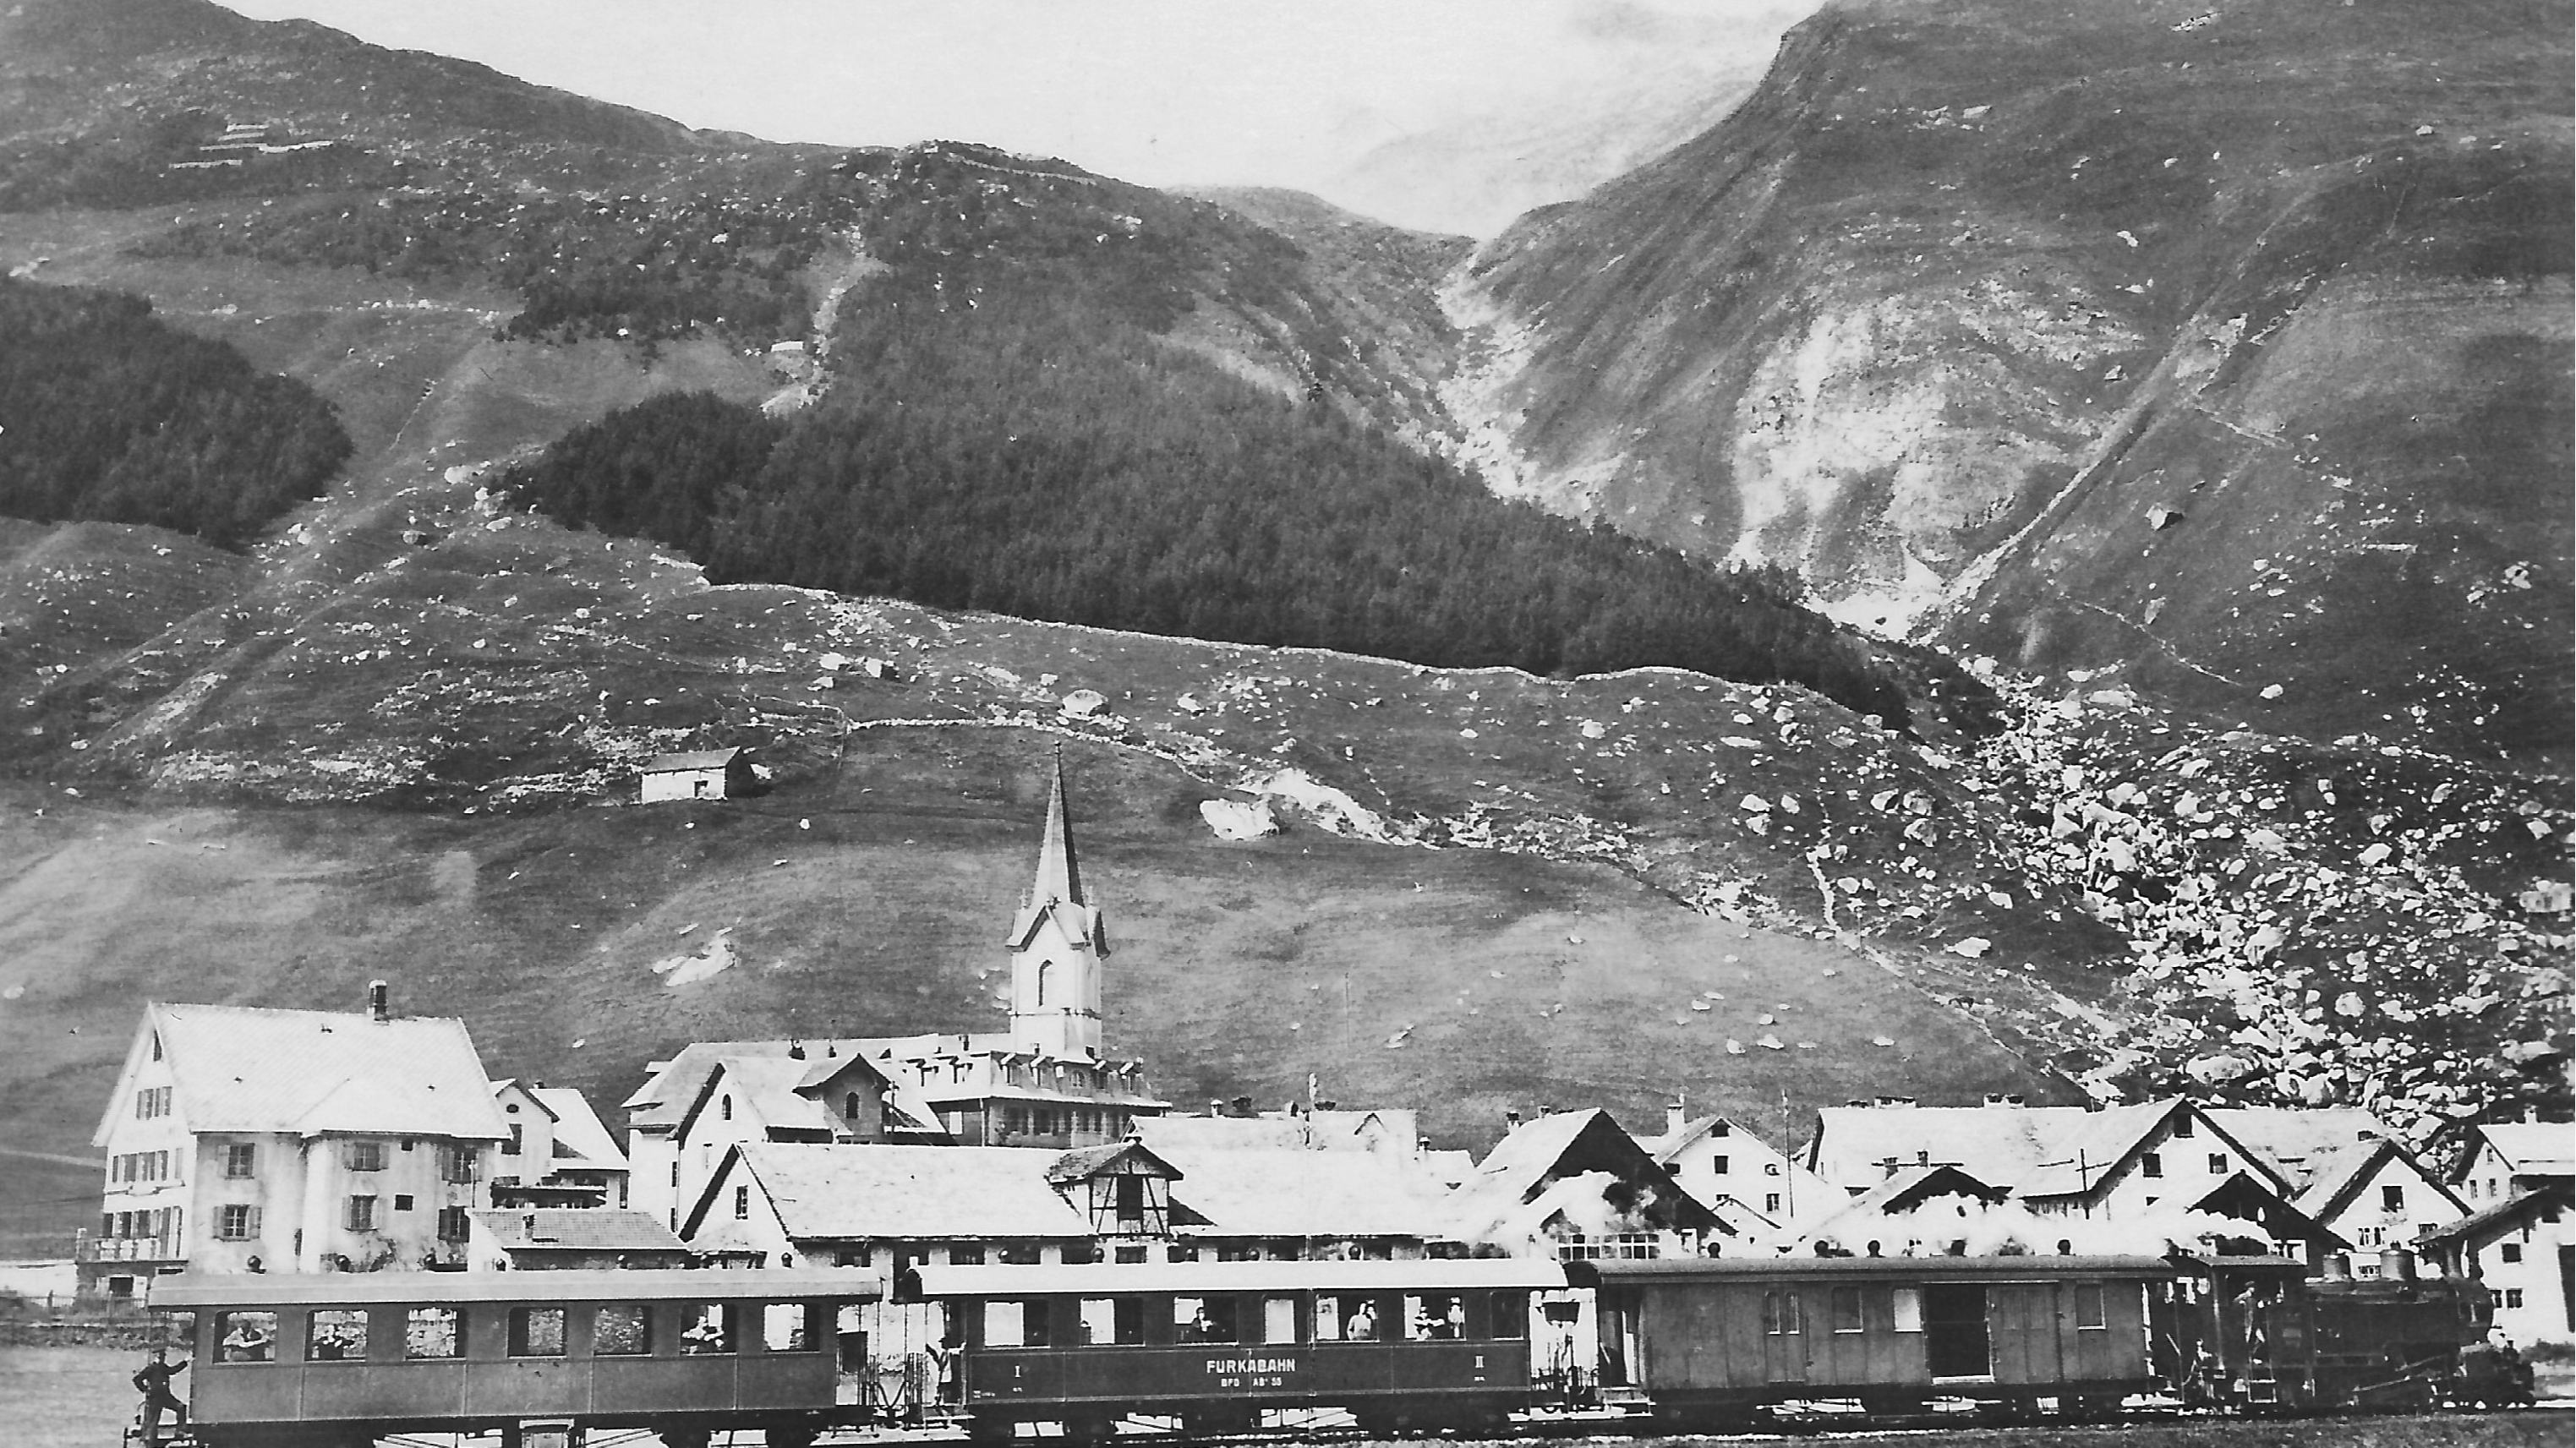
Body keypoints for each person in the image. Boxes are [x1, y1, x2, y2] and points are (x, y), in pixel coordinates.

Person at [132, 1351, 187, 1443]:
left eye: (163, 1356)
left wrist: (185, 1362)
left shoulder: (163, 1367)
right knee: (152, 1419)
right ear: (156, 1357)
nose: (162, 1358)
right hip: (155, 1398)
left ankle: (180, 1431)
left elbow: (173, 1370)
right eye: (160, 1356)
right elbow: (137, 1379)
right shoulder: (151, 1368)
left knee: (181, 1407)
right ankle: (148, 1437)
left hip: (166, 1396)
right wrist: (146, 1390)